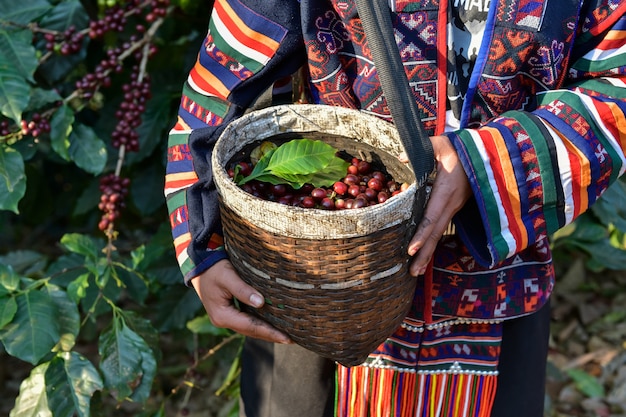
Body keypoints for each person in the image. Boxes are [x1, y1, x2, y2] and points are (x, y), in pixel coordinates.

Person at [164, 0, 626, 416]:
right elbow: (224, 74)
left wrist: (485, 164)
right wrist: (202, 242)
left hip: (496, 290)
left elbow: (617, 84)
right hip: (311, 285)